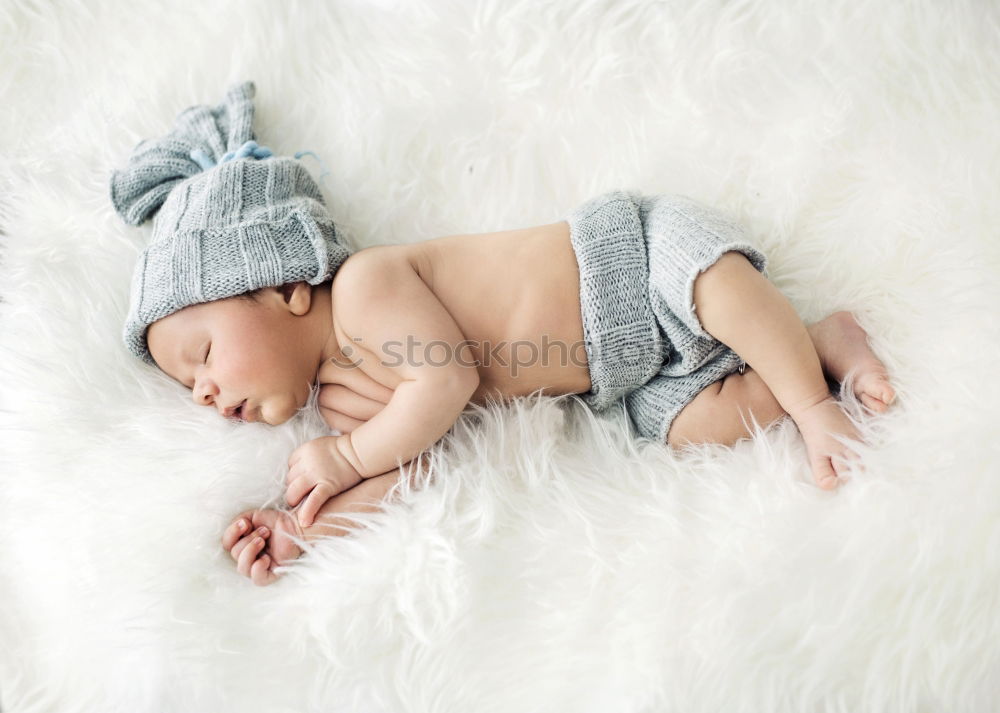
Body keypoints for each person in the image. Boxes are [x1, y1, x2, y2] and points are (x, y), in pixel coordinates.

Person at [111, 81, 896, 586]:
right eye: (193, 387)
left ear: (284, 285)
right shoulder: (351, 409)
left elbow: (444, 381)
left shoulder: (364, 287)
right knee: (704, 426)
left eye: (203, 354)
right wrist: (305, 527)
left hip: (630, 261)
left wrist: (346, 456)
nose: (206, 390)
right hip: (621, 378)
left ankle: (814, 402)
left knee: (720, 289)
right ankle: (823, 343)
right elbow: (410, 470)